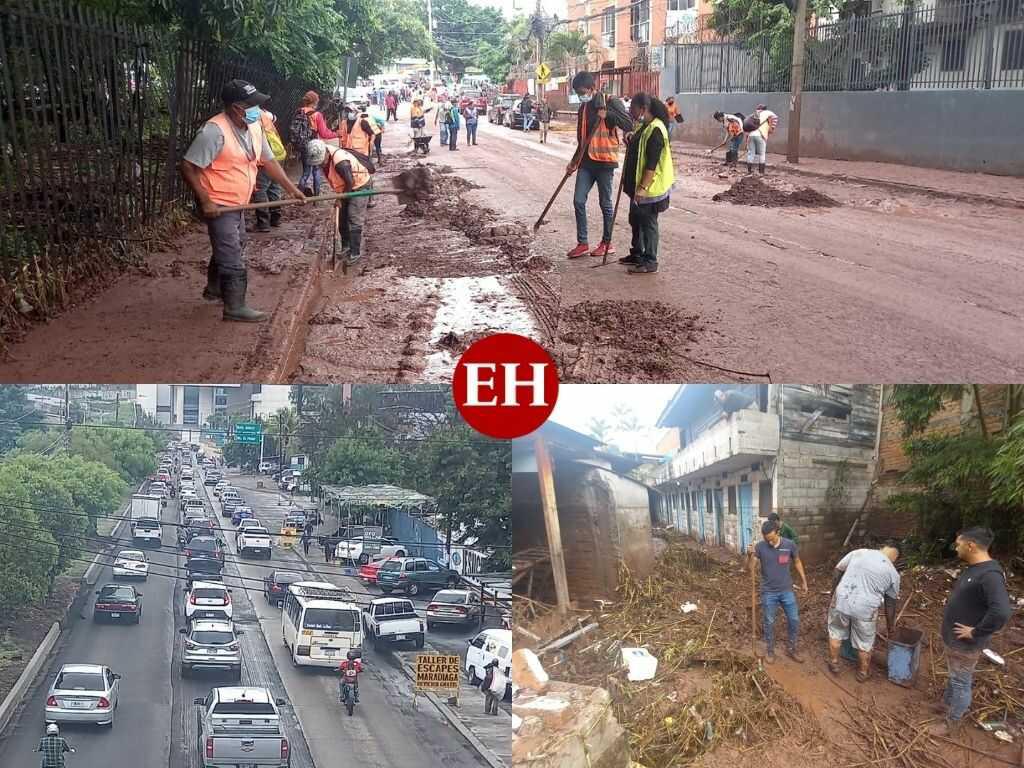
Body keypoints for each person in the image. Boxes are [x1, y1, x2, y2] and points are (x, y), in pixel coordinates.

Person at [180, 79, 306, 322]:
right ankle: (235, 307)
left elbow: (269, 161)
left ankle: (215, 288)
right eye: (253, 105)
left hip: (239, 202)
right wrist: (205, 201)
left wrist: (291, 189)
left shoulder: (255, 127)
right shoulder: (214, 131)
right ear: (238, 108)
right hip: (219, 202)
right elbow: (187, 166)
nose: (258, 110)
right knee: (231, 251)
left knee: (236, 241)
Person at [933, 527, 1012, 736]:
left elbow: (1002, 611)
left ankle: (952, 723)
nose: (956, 548)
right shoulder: (976, 568)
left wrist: (976, 632)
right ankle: (946, 704)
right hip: (956, 641)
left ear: (971, 545)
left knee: (961, 682)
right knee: (955, 675)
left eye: (958, 544)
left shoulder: (990, 575)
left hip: (965, 644)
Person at [566, 72, 633, 261]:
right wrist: (573, 162)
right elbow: (583, 139)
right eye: (578, 93)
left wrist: (608, 115)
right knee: (578, 201)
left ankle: (607, 243)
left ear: (592, 88)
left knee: (605, 203)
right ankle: (583, 243)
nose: (581, 95)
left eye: (583, 92)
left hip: (605, 162)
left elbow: (628, 124)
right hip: (586, 163)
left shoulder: (610, 101)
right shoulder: (583, 108)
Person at [827, 543, 901, 682]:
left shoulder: (859, 552)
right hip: (866, 609)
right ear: (895, 557)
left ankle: (834, 662)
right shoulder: (893, 573)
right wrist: (890, 627)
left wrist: (833, 592)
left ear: (882, 547)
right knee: (865, 642)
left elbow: (837, 571)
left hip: (842, 600)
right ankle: (862, 673)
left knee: (836, 631)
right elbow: (890, 604)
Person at [619, 93, 674, 275]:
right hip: (638, 185)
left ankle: (650, 260)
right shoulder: (645, 125)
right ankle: (637, 253)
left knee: (648, 223)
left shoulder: (656, 129)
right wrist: (630, 137)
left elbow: (652, 164)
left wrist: (642, 188)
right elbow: (638, 145)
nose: (631, 113)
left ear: (643, 109)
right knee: (635, 219)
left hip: (651, 187)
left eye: (633, 109)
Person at [749, 519, 808, 663]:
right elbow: (750, 569)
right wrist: (749, 556)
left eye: (771, 538)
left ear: (778, 532)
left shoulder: (789, 545)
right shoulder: (760, 547)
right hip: (768, 592)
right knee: (769, 622)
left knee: (794, 619)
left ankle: (791, 649)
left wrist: (804, 581)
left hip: (787, 590)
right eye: (766, 539)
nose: (768, 542)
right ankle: (770, 651)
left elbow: (797, 561)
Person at [307, 139, 374, 266]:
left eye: (321, 161)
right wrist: (340, 197)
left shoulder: (341, 163)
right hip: (345, 188)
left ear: (326, 153)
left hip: (360, 185)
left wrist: (339, 199)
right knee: (342, 218)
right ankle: (346, 246)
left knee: (354, 217)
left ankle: (355, 252)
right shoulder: (324, 156)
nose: (320, 165)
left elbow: (350, 182)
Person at [291, 91, 339, 197]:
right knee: (316, 171)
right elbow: (324, 133)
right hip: (314, 146)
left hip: (303, 145)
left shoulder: (298, 112)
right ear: (315, 102)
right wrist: (336, 134)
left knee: (305, 173)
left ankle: (298, 196)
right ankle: (316, 198)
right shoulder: (317, 115)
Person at [251, 108, 285, 232]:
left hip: (264, 159)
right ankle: (276, 218)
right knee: (274, 188)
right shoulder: (265, 114)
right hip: (277, 154)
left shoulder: (250, 116)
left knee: (260, 189)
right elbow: (274, 118)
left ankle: (263, 222)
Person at [743, 103, 779, 175]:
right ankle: (761, 172)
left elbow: (747, 127)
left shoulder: (753, 115)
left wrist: (746, 142)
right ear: (764, 109)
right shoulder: (767, 113)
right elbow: (775, 117)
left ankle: (749, 171)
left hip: (751, 135)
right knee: (762, 154)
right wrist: (772, 127)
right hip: (760, 135)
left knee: (751, 153)